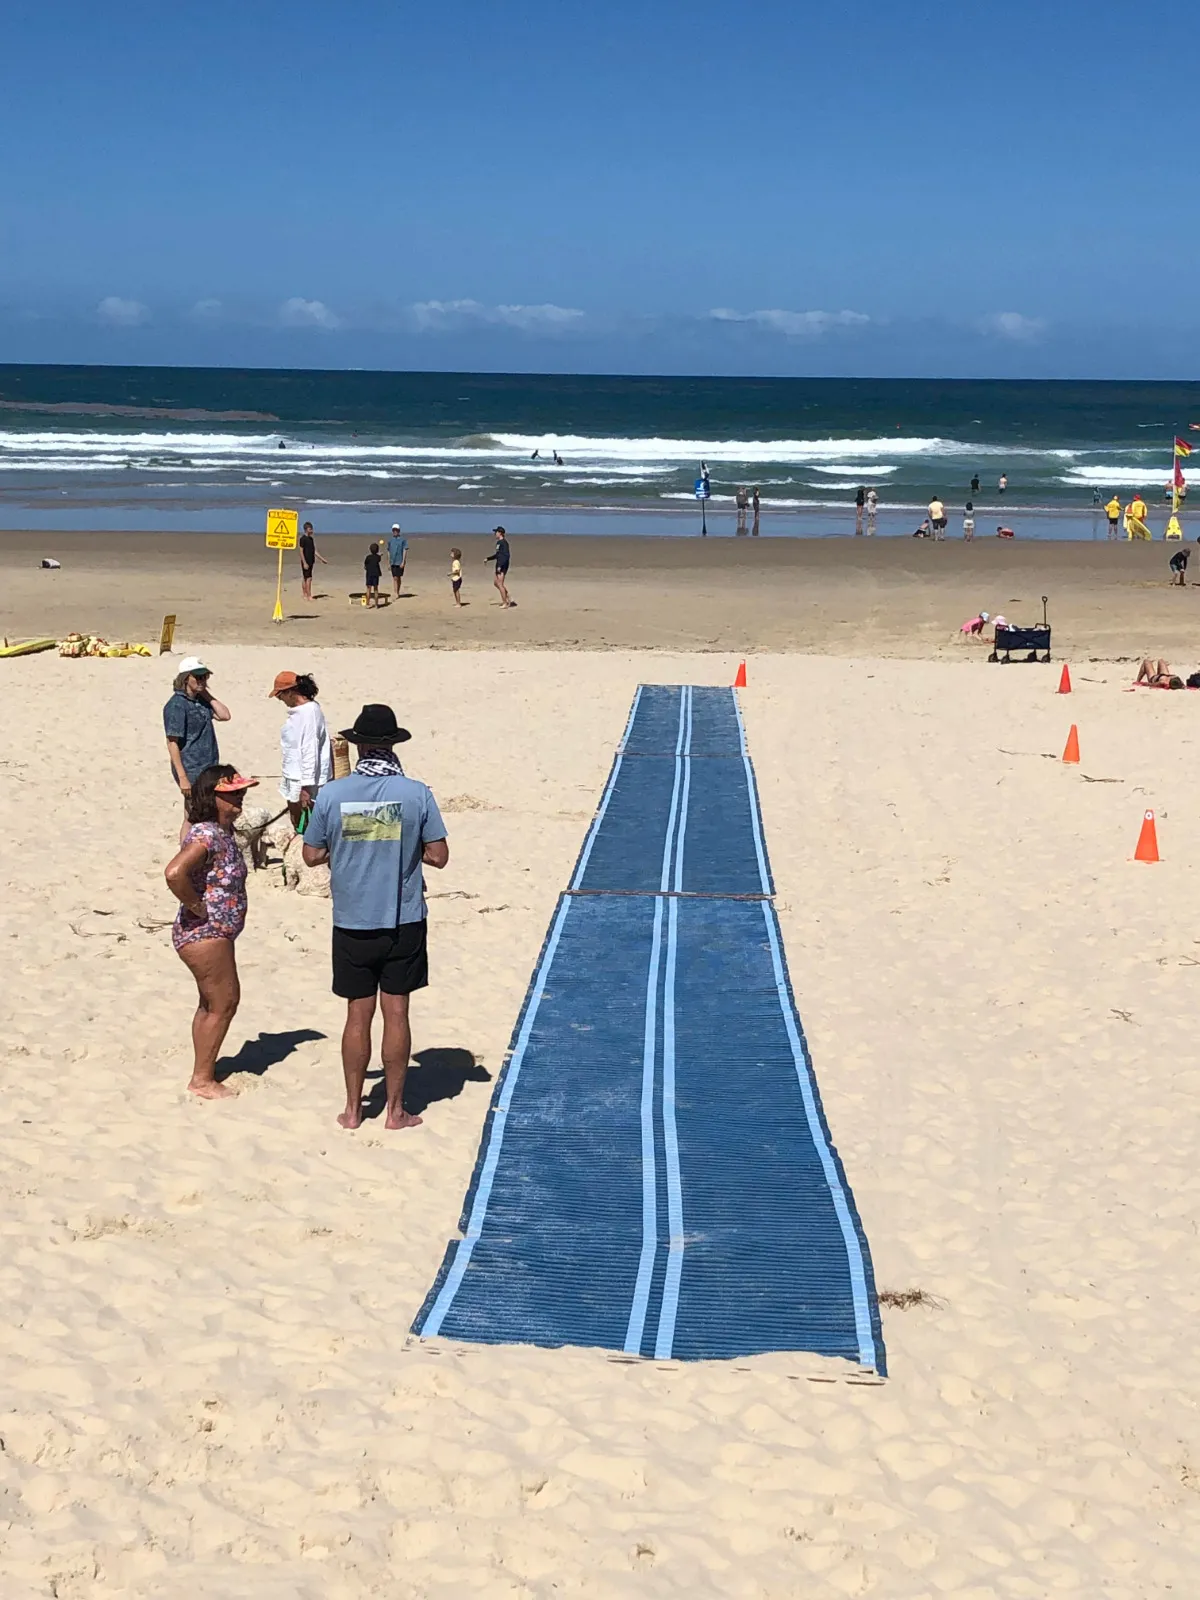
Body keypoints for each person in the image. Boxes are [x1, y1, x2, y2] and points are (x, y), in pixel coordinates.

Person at [302, 704, 449, 1131]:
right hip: (402, 918)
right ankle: (395, 1110)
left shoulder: (332, 794)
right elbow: (438, 856)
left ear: (361, 745)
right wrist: (402, 846)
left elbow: (311, 855)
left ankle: (352, 1109)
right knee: (397, 1013)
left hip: (352, 919)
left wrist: (352, 843)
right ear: (393, 746)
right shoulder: (416, 792)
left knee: (356, 1015)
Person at [164, 766, 257, 1100]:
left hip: (214, 933)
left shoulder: (220, 831)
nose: (239, 800)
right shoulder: (207, 834)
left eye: (241, 794)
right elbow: (175, 873)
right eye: (232, 795)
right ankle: (202, 1079)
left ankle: (203, 1069)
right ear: (213, 796)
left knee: (210, 1003)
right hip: (206, 933)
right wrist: (196, 905)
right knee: (224, 1001)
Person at [164, 658, 231, 827]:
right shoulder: (176, 705)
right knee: (193, 815)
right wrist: (183, 777)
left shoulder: (201, 702)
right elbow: (172, 743)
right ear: (186, 678)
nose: (203, 681)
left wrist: (206, 694)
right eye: (198, 677)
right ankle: (188, 850)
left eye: (205, 677)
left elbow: (224, 715)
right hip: (191, 768)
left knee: (205, 812)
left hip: (209, 766)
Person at [270, 670, 332, 829]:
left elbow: (310, 749)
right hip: (294, 775)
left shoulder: (309, 712)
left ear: (290, 692)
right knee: (297, 822)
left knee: (307, 826)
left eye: (280, 695)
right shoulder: (301, 712)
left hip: (304, 779)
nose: (280, 700)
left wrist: (306, 787)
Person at [298, 521, 327, 601]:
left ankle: (305, 594)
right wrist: (304, 562)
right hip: (305, 561)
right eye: (310, 529)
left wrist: (322, 559)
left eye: (312, 529)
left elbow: (314, 551)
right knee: (308, 578)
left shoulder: (311, 539)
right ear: (306, 529)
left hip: (311, 560)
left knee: (306, 578)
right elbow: (301, 551)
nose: (312, 530)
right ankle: (308, 595)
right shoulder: (302, 539)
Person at [485, 525, 513, 607]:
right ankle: (508, 596)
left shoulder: (504, 543)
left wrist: (500, 566)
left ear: (500, 533)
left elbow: (506, 556)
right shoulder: (499, 543)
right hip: (499, 564)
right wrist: (488, 558)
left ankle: (505, 602)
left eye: (496, 532)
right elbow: (498, 555)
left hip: (502, 565)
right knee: (496, 583)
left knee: (500, 584)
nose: (495, 534)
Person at [387, 524, 408, 598]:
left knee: (398, 577)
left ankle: (397, 591)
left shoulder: (403, 540)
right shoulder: (390, 541)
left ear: (399, 531)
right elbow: (389, 551)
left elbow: (405, 550)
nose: (395, 531)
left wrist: (403, 561)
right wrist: (389, 562)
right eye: (393, 530)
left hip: (399, 561)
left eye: (396, 530)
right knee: (394, 577)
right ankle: (395, 592)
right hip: (393, 561)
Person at [364, 542, 383, 607]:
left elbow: (365, 566)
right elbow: (378, 559)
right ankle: (376, 604)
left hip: (369, 574)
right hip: (376, 574)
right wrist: (379, 555)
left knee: (368, 589)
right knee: (376, 589)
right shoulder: (378, 557)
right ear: (377, 550)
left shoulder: (368, 557)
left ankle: (367, 604)